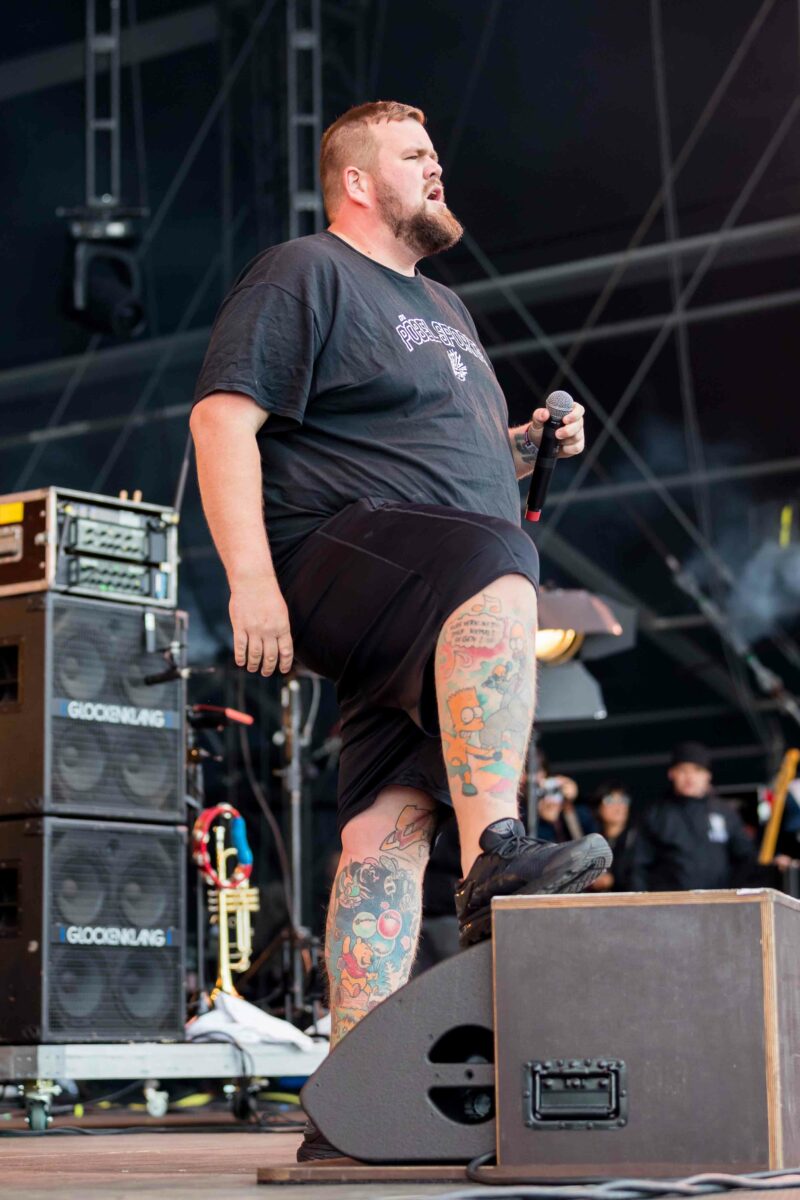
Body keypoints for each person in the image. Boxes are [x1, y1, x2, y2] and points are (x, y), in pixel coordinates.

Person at [189, 100, 612, 1161]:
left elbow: (437, 457)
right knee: (499, 562)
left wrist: (526, 445)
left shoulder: (449, 310)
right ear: (357, 182)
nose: (436, 168)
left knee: (388, 823)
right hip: (335, 547)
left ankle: (352, 1098)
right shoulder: (305, 271)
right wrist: (251, 584)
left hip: (419, 581)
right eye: (414, 155)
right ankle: (499, 852)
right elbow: (221, 418)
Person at [628, 742, 756, 892]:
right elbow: (638, 866)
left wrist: (735, 895)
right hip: (670, 902)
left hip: (718, 901)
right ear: (671, 773)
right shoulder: (655, 814)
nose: (690, 778)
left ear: (708, 775)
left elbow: (747, 857)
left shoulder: (725, 812)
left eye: (697, 770)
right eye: (683, 770)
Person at [587, 782, 633, 891]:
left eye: (623, 800)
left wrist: (614, 880)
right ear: (598, 807)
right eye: (610, 800)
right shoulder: (594, 841)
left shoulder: (638, 838)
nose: (618, 807)